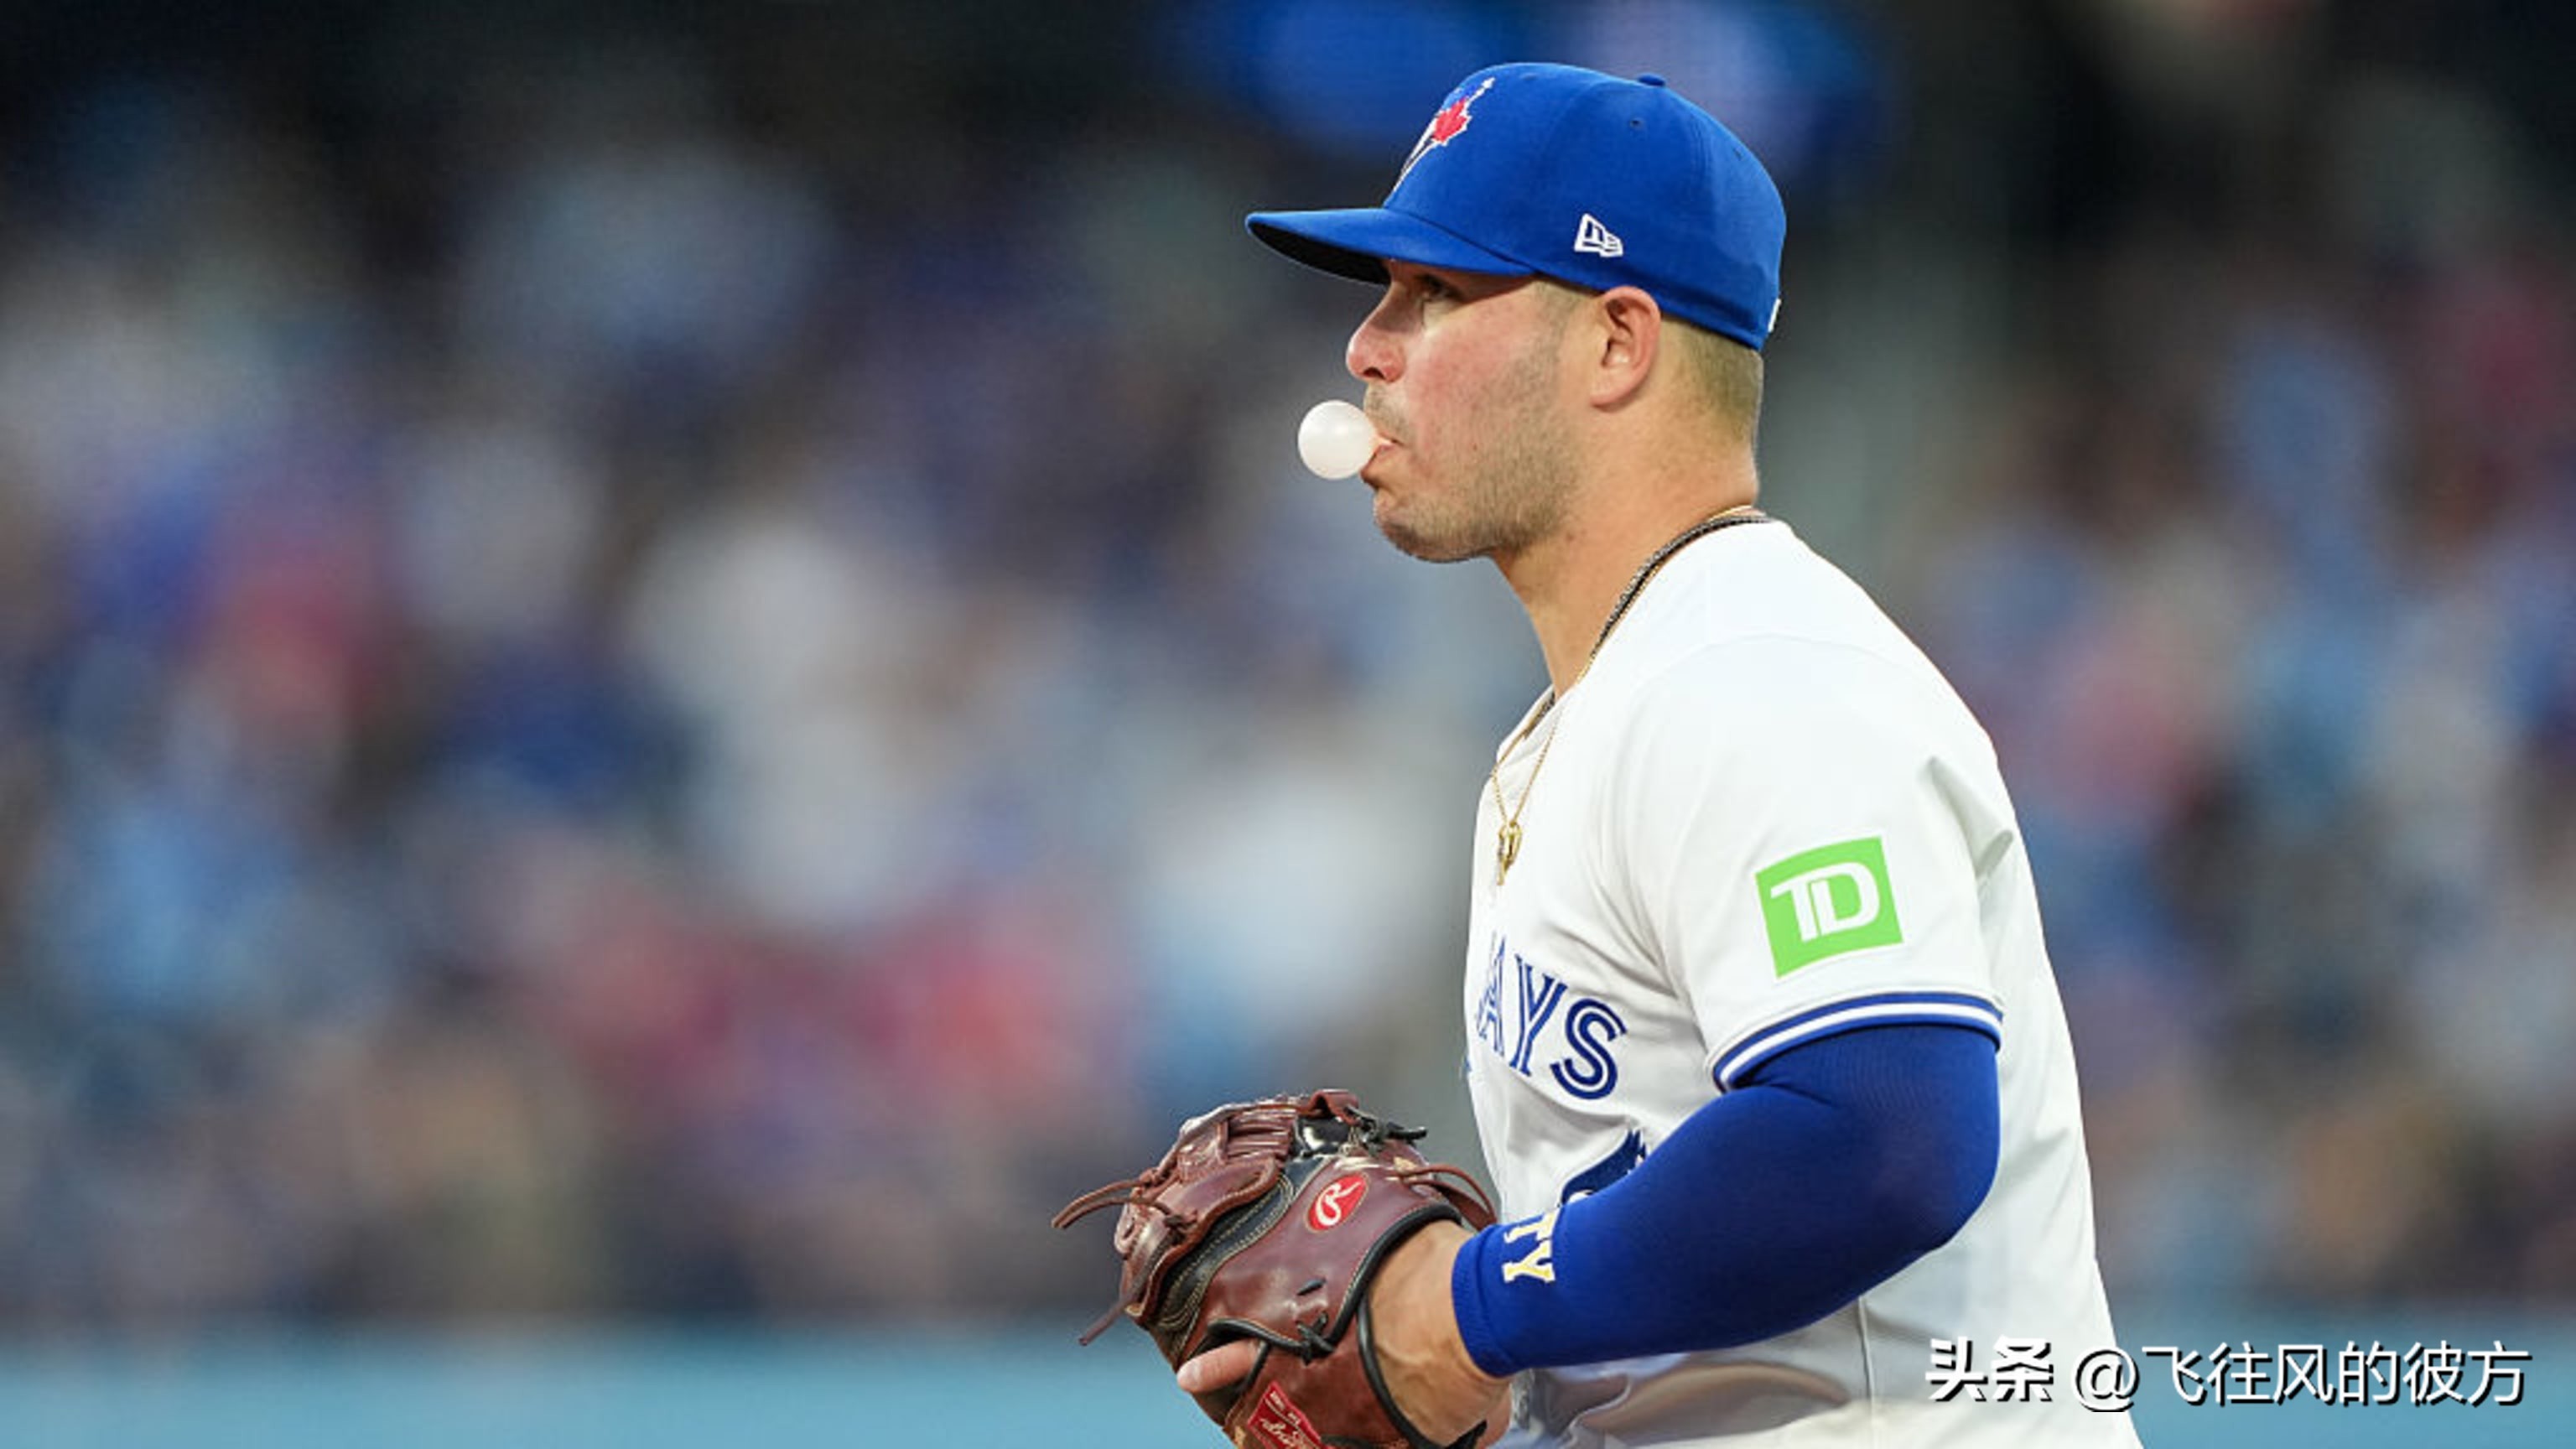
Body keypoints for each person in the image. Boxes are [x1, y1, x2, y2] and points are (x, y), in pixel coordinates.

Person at [1179, 63, 2143, 1446]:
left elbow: (1883, 1136)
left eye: (1435, 294)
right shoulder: (1612, 702)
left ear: (1619, 345)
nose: (1367, 347)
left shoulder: (1760, 675)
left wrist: (1474, 1309)